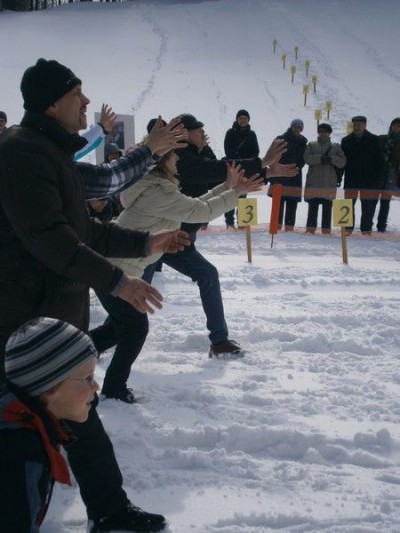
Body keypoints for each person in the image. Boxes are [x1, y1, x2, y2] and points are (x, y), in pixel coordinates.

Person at [0, 58, 189, 532]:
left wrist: (148, 243)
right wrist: (119, 283)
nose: (86, 101)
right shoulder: (21, 153)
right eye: (78, 93)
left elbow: (87, 231)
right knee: (23, 432)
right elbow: (50, 239)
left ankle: (110, 511)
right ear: (52, 102)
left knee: (82, 415)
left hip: (50, 324)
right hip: (21, 326)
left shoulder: (49, 153)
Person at [90, 154, 263, 402]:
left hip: (117, 267)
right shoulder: (159, 192)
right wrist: (236, 193)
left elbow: (193, 206)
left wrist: (227, 187)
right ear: (162, 163)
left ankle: (80, 348)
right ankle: (114, 387)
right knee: (135, 328)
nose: (177, 162)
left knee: (120, 328)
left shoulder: (156, 187)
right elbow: (199, 210)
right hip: (118, 271)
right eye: (173, 158)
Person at [150, 113, 297, 358]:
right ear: (185, 134)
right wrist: (261, 162)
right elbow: (215, 171)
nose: (203, 134)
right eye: (198, 130)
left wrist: (268, 172)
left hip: (179, 241)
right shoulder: (178, 158)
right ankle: (93, 343)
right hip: (154, 240)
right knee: (130, 308)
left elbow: (225, 179)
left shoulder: (197, 155)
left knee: (208, 274)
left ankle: (219, 341)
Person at [0, 317, 99, 532]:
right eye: (88, 377)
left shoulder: (19, 421)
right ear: (50, 388)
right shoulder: (20, 455)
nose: (96, 386)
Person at [340, 115, 385, 235]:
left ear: (365, 125)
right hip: (351, 179)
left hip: (369, 180)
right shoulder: (346, 140)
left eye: (359, 125)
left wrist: (380, 179)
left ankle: (366, 230)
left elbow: (380, 161)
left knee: (368, 207)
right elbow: (342, 161)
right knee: (348, 204)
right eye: (354, 125)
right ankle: (347, 230)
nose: (356, 127)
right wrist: (339, 177)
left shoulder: (374, 140)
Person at [303, 123, 346, 234]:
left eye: (325, 131)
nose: (322, 133)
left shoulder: (336, 146)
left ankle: (326, 232)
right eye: (320, 131)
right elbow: (306, 158)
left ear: (329, 133)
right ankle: (310, 231)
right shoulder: (311, 145)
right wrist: (321, 158)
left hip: (329, 183)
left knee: (327, 210)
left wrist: (331, 159)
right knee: (312, 209)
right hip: (314, 182)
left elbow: (342, 162)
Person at [268, 118, 307, 231]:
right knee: (278, 202)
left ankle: (289, 228)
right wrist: (275, 169)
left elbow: (303, 159)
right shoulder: (281, 139)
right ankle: (276, 227)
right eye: (295, 126)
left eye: (300, 127)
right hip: (279, 174)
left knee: (292, 201)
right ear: (291, 126)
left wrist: (296, 166)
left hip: (294, 174)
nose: (297, 129)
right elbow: (272, 155)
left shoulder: (303, 141)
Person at [223, 109, 260, 229]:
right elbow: (228, 150)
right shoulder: (230, 133)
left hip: (246, 170)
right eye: (240, 118)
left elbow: (256, 151)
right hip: (234, 169)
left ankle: (243, 222)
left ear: (248, 120)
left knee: (243, 195)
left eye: (245, 118)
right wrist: (240, 160)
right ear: (237, 120)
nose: (243, 120)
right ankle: (229, 222)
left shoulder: (252, 134)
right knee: (231, 195)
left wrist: (248, 162)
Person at [376, 117, 400, 232]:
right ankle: (367, 224)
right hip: (379, 173)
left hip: (392, 175)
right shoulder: (383, 139)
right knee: (372, 200)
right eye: (394, 125)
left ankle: (381, 226)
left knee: (385, 202)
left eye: (399, 126)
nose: (396, 128)